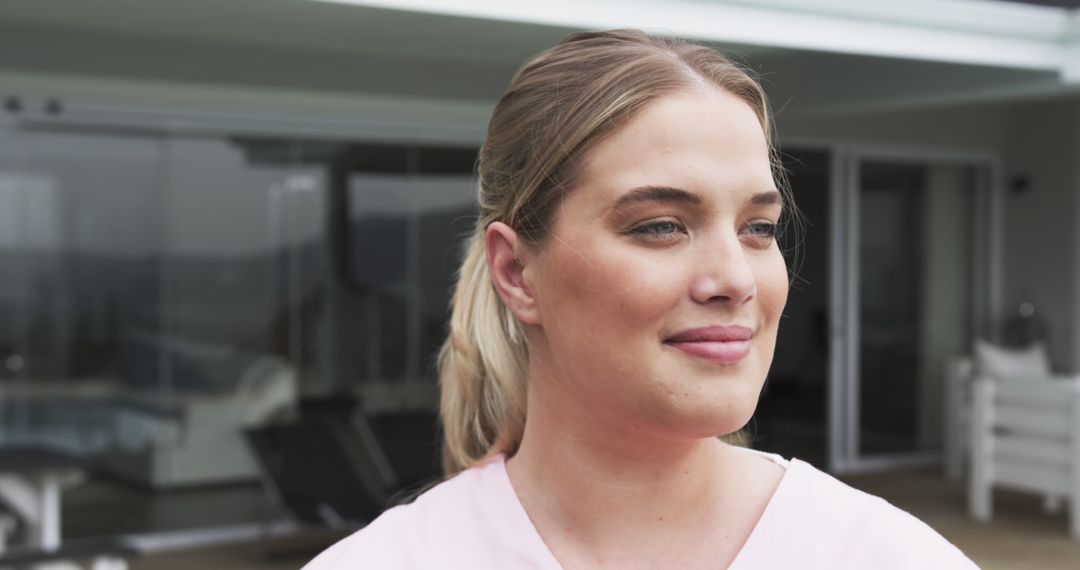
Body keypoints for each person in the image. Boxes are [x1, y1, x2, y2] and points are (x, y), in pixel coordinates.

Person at [305, 29, 977, 569]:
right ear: (516, 272)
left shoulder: (883, 555)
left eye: (758, 228)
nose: (735, 280)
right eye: (660, 225)